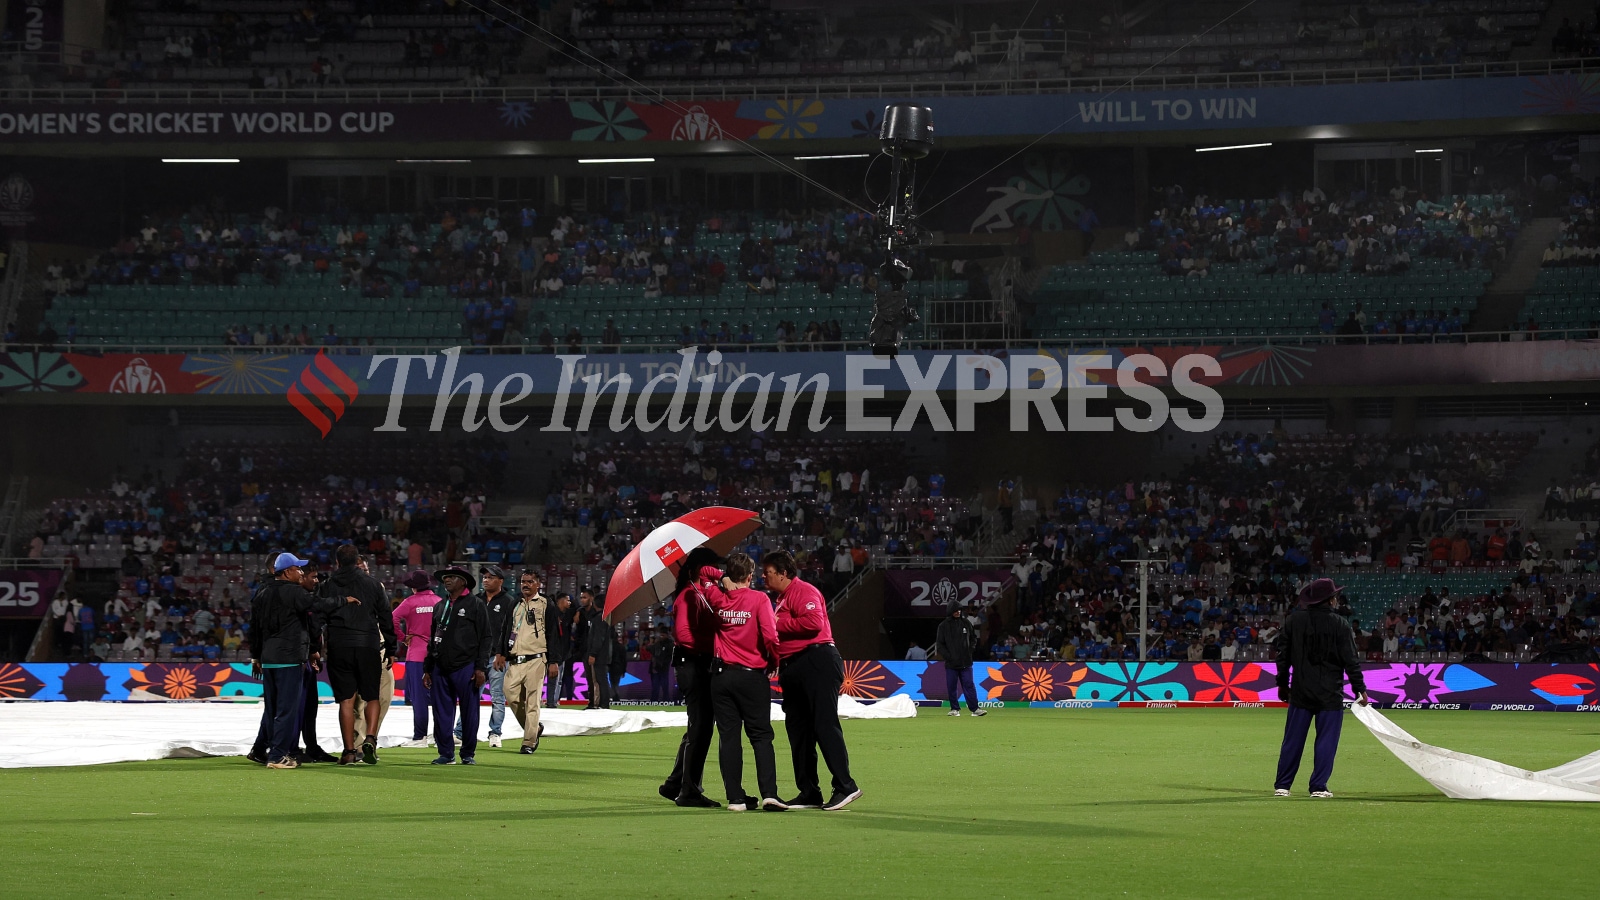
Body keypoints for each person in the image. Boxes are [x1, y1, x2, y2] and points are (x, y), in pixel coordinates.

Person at [764, 550, 862, 811]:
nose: (764, 577)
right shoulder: (783, 599)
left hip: (816, 660)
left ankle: (845, 786)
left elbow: (814, 623)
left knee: (823, 724)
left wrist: (777, 624)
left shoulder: (803, 591)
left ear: (783, 574)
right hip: (795, 666)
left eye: (769, 573)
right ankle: (808, 791)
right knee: (798, 731)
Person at [247, 552, 354, 769]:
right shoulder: (293, 592)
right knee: (287, 710)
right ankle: (277, 756)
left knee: (273, 709)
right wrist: (344, 600)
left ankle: (270, 751)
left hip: (268, 659)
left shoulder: (262, 593)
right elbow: (318, 604)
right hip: (288, 658)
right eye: (298, 569)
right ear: (287, 572)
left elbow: (254, 629)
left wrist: (256, 656)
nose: (301, 572)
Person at [698, 553, 784, 812]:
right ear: (750, 576)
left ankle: (735, 798)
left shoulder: (717, 597)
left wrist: (721, 578)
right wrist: (775, 660)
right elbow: (770, 635)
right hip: (751, 675)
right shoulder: (759, 599)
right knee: (760, 736)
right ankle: (769, 794)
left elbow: (703, 573)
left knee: (729, 737)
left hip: (722, 676)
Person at [1273, 578, 1369, 798]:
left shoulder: (1293, 621)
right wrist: (1360, 688)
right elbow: (1350, 661)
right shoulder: (1341, 624)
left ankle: (1283, 785)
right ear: (1331, 600)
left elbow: (1283, 656)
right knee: (1326, 740)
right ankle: (1318, 787)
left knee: (1293, 740)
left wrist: (1282, 684)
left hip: (1300, 690)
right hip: (1330, 693)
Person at [320, 544, 397, 765]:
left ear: (336, 562)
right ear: (357, 562)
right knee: (371, 696)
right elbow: (385, 617)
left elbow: (318, 615)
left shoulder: (327, 585)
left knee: (346, 700)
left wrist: (315, 649)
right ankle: (370, 738)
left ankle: (349, 751)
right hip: (368, 645)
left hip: (339, 645)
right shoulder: (373, 585)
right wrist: (391, 648)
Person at [659, 546, 722, 808]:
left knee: (697, 725)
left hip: (695, 663)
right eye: (712, 566)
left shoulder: (697, 593)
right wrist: (717, 640)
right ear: (701, 567)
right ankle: (689, 791)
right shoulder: (687, 595)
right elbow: (683, 636)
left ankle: (676, 783)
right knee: (701, 727)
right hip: (693, 664)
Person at [423, 566, 493, 765]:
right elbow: (432, 638)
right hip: (440, 666)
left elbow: (486, 638)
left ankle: (468, 753)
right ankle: (446, 753)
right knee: (441, 712)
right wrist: (427, 668)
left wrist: (480, 668)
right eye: (445, 577)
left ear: (463, 581)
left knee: (470, 711)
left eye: (452, 577)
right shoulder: (439, 606)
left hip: (466, 666)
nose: (446, 580)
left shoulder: (476, 605)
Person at [465, 564, 513, 749]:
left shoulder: (509, 602)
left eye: (490, 577)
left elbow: (511, 631)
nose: (485, 580)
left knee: (497, 697)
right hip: (476, 657)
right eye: (484, 577)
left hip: (496, 657)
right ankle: (461, 732)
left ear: (500, 581)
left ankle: (495, 733)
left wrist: (505, 654)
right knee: (469, 695)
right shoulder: (476, 600)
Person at [503, 570, 550, 754]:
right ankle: (534, 728)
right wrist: (502, 653)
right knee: (511, 695)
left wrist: (554, 661)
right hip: (515, 659)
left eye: (530, 581)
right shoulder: (515, 604)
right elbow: (506, 629)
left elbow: (553, 632)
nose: (526, 584)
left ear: (538, 584)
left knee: (533, 702)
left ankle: (529, 742)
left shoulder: (546, 604)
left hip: (537, 658)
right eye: (523, 581)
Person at [390, 569, 438, 747]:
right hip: (437, 655)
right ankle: (439, 735)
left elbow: (392, 619)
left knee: (419, 698)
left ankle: (420, 737)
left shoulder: (410, 602)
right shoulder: (440, 601)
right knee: (439, 697)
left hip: (417, 654)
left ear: (413, 588)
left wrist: (403, 638)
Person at [352, 555, 395, 749]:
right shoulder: (340, 590)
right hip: (355, 650)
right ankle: (358, 745)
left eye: (367, 570)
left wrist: (391, 648)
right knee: (358, 703)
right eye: (360, 570)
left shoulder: (377, 588)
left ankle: (368, 740)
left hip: (380, 649)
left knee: (384, 697)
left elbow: (387, 618)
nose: (365, 574)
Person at [937, 601, 984, 717]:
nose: (958, 612)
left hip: (966, 662)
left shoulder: (966, 623)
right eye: (955, 610)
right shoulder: (943, 626)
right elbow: (940, 644)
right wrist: (948, 657)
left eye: (959, 610)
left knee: (969, 685)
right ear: (950, 611)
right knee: (952, 686)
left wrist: (970, 650)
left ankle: (975, 709)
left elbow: (974, 638)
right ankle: (954, 709)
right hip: (951, 664)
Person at [582, 587, 614, 709]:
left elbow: (598, 638)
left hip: (599, 655)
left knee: (599, 680)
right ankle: (601, 704)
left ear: (595, 604)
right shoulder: (606, 617)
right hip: (604, 654)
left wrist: (593, 654)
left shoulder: (599, 618)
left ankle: (601, 704)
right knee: (601, 680)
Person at [544, 591, 574, 708]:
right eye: (567, 600)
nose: (569, 603)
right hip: (551, 652)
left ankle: (554, 701)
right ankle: (550, 702)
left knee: (559, 680)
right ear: (561, 601)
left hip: (563, 652)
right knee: (551, 679)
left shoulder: (566, 615)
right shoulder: (552, 614)